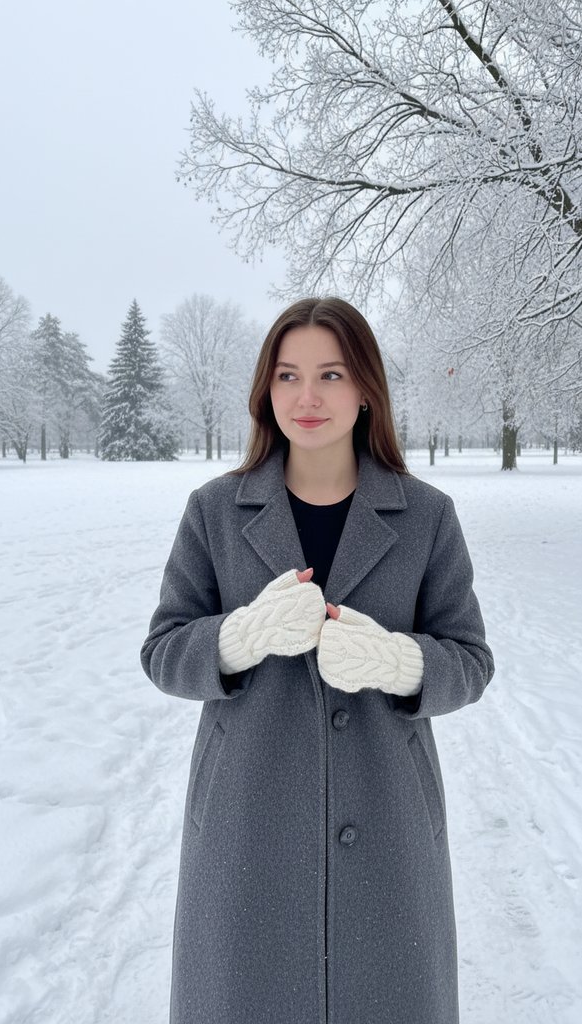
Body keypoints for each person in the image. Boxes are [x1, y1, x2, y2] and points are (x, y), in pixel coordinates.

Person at [140, 296, 495, 1024]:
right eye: (288, 375)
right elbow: (163, 650)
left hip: (389, 818)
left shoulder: (426, 516)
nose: (307, 397)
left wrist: (398, 662)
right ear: (264, 391)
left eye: (330, 374)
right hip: (245, 824)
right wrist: (239, 637)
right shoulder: (214, 510)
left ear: (365, 389)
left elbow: (470, 660)